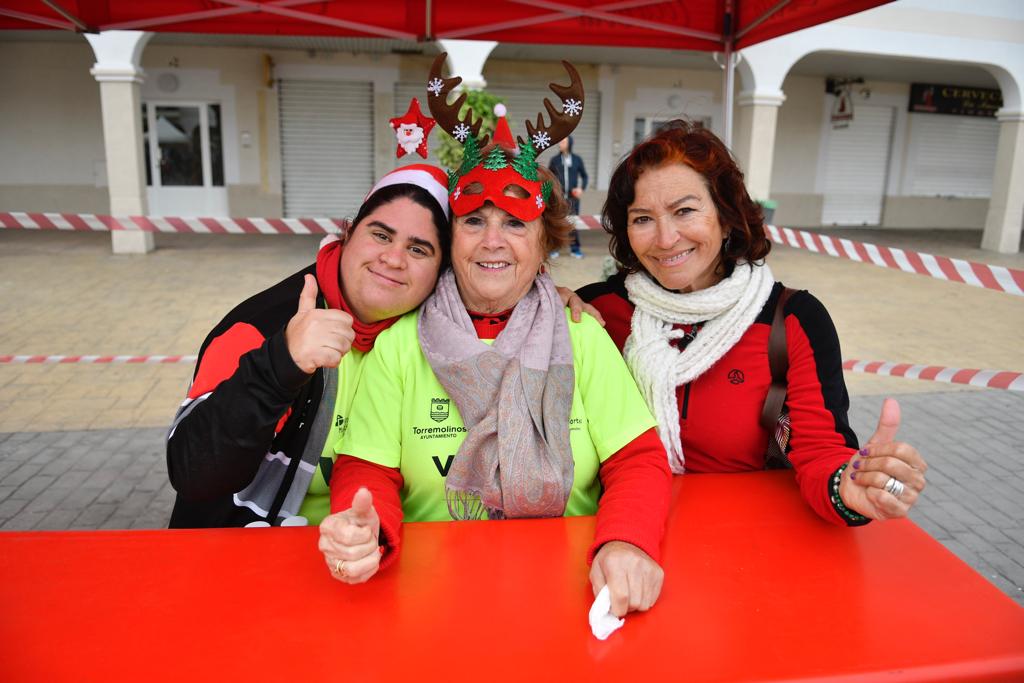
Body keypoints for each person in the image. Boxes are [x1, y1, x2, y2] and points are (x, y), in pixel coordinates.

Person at [319, 62, 672, 619]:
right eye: (473, 220)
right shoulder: (400, 343)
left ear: (543, 243)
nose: (492, 242)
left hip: (568, 588)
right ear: (448, 236)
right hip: (428, 594)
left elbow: (638, 460)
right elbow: (368, 469)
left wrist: (627, 540)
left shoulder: (578, 335)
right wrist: (367, 528)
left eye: (514, 223)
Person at [576, 120, 927, 526]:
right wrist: (542, 303)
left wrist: (847, 488)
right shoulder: (597, 311)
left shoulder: (793, 318)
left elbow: (820, 452)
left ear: (726, 217)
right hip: (622, 534)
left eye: (684, 211)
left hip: (743, 544)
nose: (665, 238)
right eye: (642, 219)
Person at [166, 164, 452, 527]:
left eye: (418, 249)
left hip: (372, 558)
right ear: (347, 233)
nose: (393, 259)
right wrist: (282, 363)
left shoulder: (439, 338)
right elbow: (193, 472)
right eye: (381, 235)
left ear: (441, 269)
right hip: (244, 560)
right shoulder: (261, 325)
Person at [548, 135, 588, 259]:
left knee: (573, 223)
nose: (560, 144)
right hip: (558, 198)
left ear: (569, 143)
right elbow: (549, 177)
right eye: (560, 142)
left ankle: (575, 249)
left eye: (563, 142)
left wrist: (581, 188)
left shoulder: (577, 160)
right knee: (557, 223)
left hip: (573, 198)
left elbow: (584, 176)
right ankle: (554, 248)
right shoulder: (555, 160)